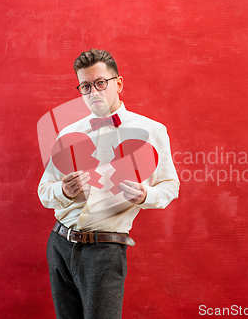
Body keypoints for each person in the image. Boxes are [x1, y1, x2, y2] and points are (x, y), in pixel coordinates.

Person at [38, 49, 180, 319]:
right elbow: (45, 191)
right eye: (86, 86)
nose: (94, 92)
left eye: (101, 83)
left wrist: (144, 195)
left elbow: (170, 186)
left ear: (119, 83)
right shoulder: (68, 133)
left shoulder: (152, 130)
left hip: (104, 250)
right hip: (59, 244)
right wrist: (64, 191)